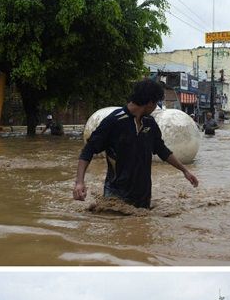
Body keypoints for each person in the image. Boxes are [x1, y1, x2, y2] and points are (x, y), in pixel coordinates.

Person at [74, 78, 200, 209]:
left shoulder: (149, 123)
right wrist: (79, 182)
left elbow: (162, 150)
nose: (155, 107)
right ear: (150, 103)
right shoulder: (114, 121)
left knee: (140, 227)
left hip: (143, 196)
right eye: (156, 103)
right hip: (116, 195)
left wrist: (185, 171)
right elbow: (88, 150)